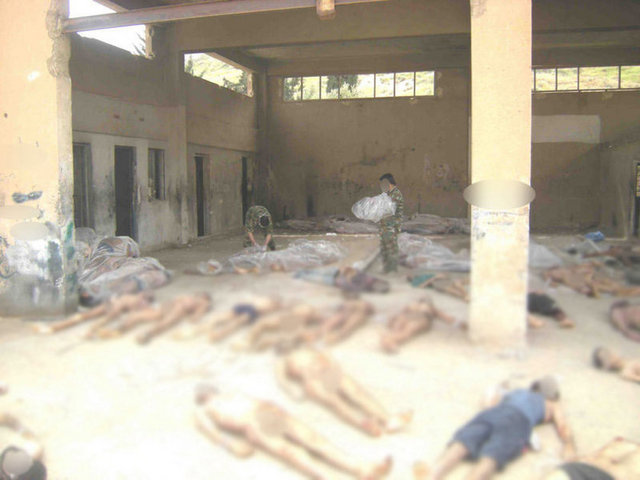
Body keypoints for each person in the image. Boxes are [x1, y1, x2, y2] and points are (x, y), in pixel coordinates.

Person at [194, 384, 392, 479]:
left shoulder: (233, 391)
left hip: (272, 413)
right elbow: (209, 431)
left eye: (206, 388)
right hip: (252, 424)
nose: (204, 390)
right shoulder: (202, 410)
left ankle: (361, 468)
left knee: (316, 441)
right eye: (201, 390)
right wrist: (229, 444)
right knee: (294, 452)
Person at [415, 377, 575, 480]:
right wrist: (569, 446)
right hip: (518, 420)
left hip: (493, 413)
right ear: (553, 395)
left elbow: (489, 404)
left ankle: (433, 474)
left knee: (462, 443)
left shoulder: (516, 393)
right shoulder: (551, 403)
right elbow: (563, 426)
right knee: (492, 456)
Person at [276, 348, 412, 437]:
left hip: (327, 370)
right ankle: (364, 424)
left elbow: (326, 355)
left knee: (357, 392)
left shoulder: (308, 348)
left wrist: (333, 364)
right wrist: (294, 392)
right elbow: (282, 379)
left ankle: (387, 419)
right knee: (336, 403)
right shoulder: (282, 361)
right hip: (312, 379)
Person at [380, 297, 458, 353]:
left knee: (402, 328)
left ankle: (389, 339)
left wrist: (393, 319)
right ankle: (390, 340)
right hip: (418, 317)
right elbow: (448, 319)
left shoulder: (414, 305)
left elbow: (400, 313)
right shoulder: (429, 307)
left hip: (412, 316)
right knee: (407, 329)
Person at [542, 437, 640, 480]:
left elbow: (590, 457)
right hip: (583, 470)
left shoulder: (621, 443)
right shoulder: (622, 442)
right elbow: (590, 457)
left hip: (581, 470)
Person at [378, 173, 404, 273]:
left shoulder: (396, 194)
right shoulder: (388, 194)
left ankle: (392, 269)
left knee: (391, 247)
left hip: (392, 225)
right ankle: (387, 268)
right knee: (384, 247)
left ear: (389, 183)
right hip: (385, 225)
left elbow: (389, 210)